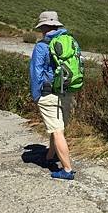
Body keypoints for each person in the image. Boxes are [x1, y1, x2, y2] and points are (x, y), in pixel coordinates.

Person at [29, 11, 75, 180]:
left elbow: (36, 72)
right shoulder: (69, 41)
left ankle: (67, 170)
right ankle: (50, 156)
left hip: (49, 93)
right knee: (57, 127)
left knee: (56, 130)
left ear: (43, 27)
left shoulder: (42, 46)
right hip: (67, 91)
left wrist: (36, 95)